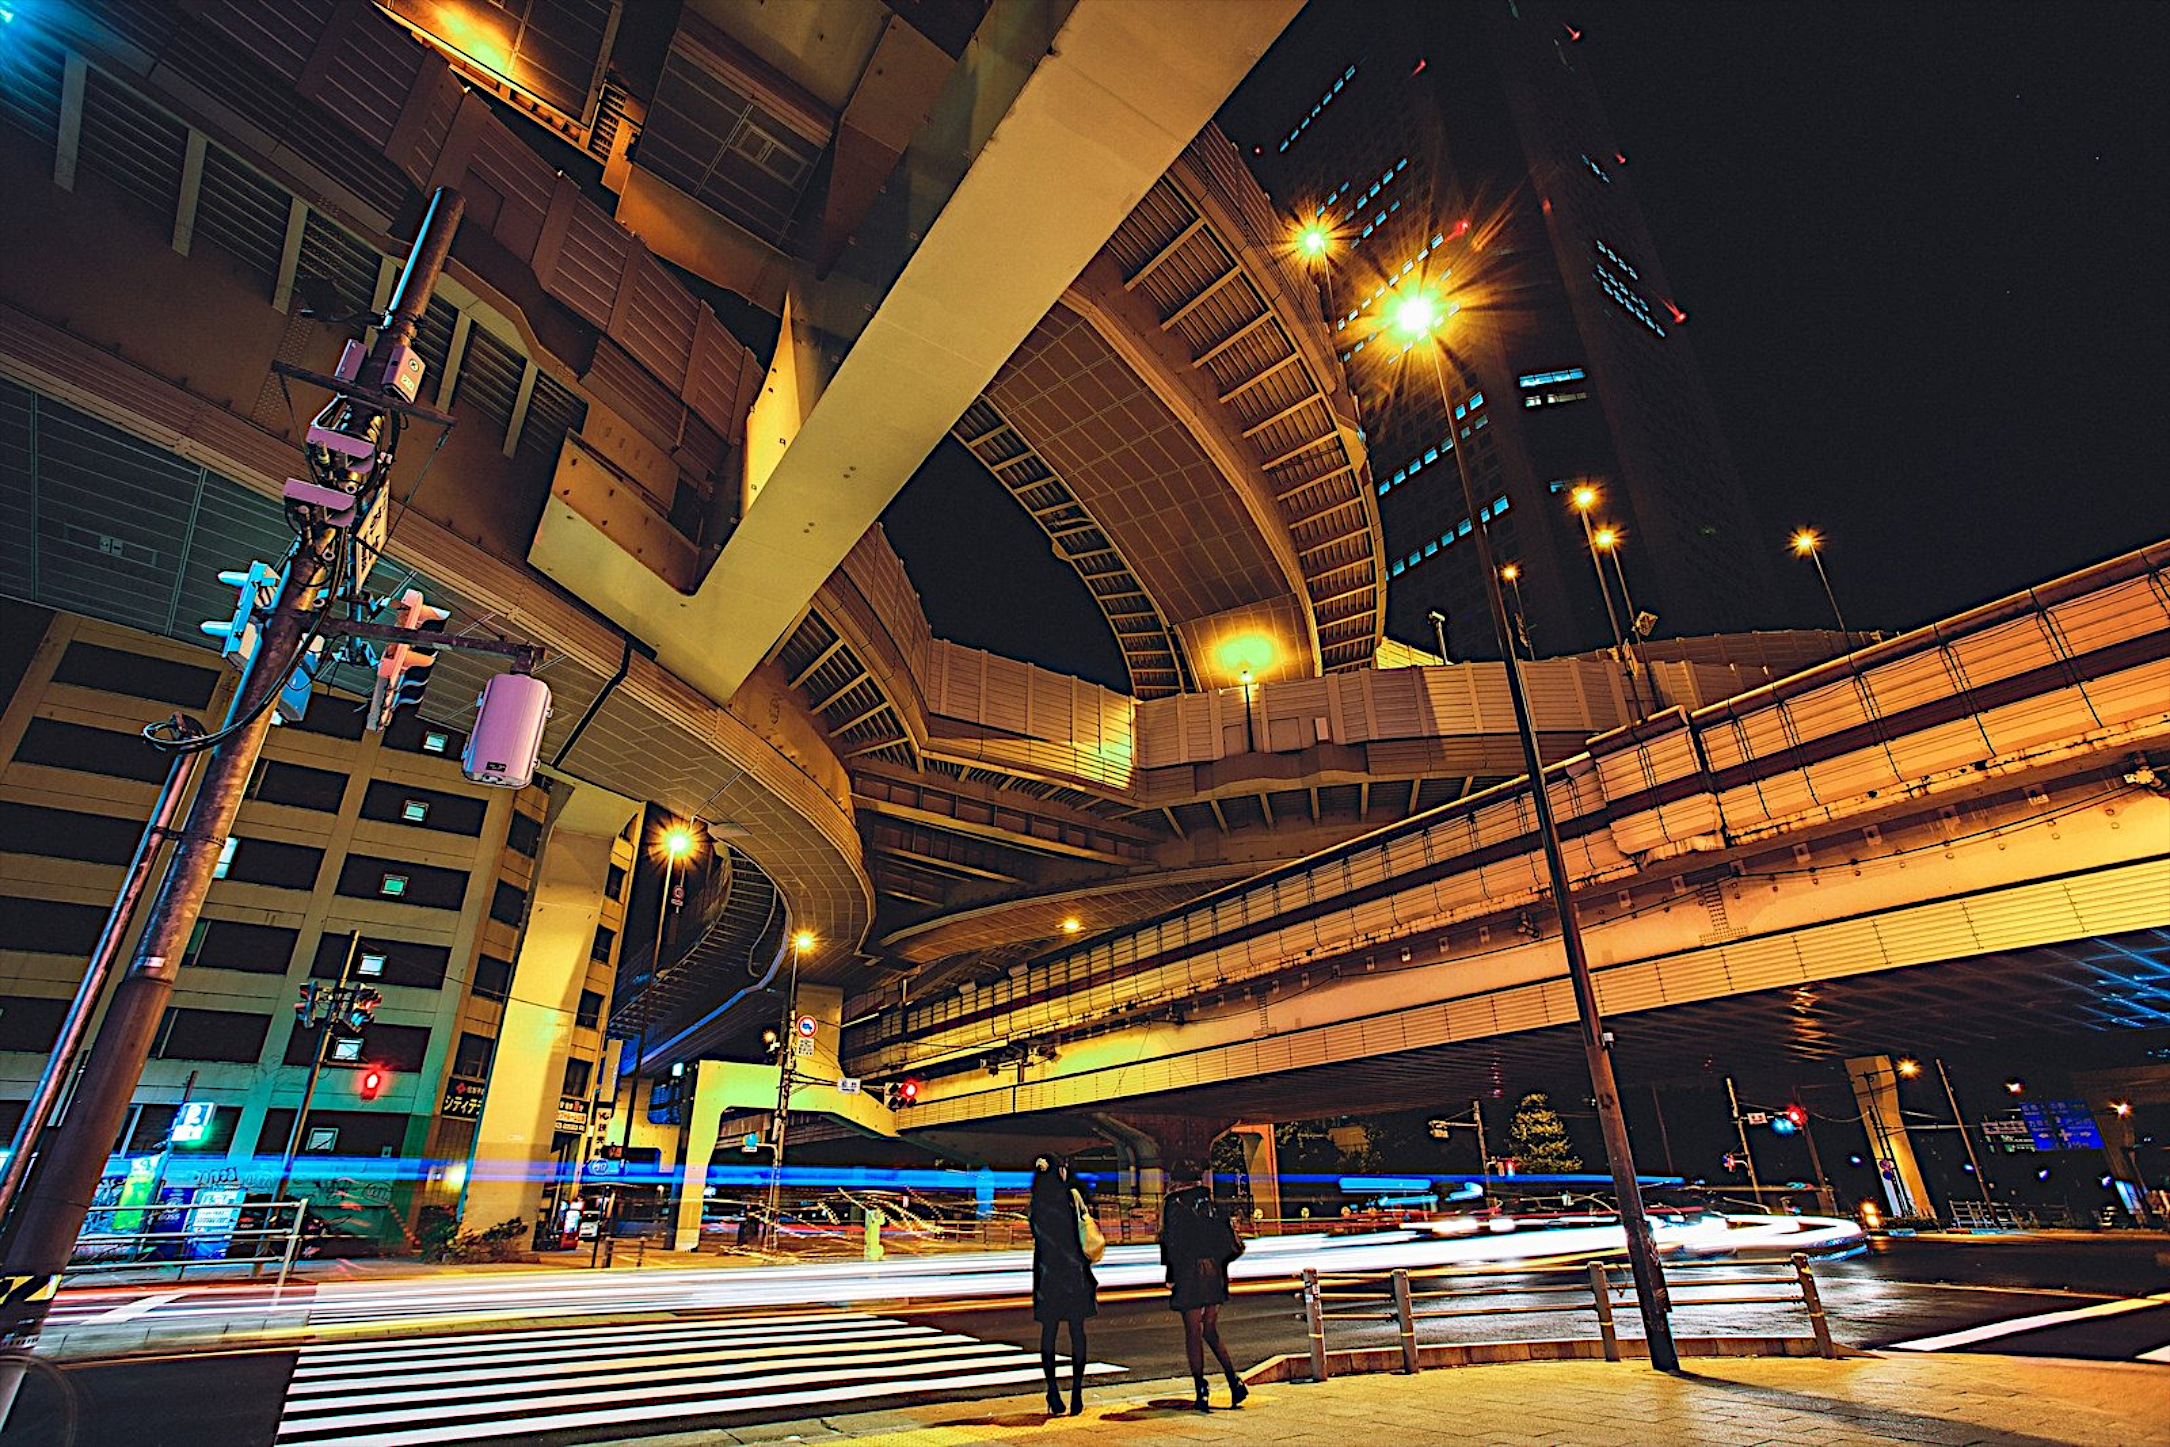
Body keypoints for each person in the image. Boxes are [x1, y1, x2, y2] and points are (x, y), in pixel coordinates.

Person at [1160, 1163, 1248, 1412]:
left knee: (1192, 1332)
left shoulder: (1173, 1205)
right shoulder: (1211, 1203)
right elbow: (1225, 1242)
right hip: (1214, 1272)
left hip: (1188, 1271)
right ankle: (1234, 1381)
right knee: (1210, 1330)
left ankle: (1201, 1387)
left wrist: (1170, 1275)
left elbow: (1170, 1242)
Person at [1028, 1154, 1096, 1416]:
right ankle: (1077, 1392)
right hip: (1073, 1270)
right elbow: (1084, 1228)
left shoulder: (1037, 1202)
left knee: (1049, 1333)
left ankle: (1053, 1392)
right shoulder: (1072, 1196)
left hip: (1047, 1274)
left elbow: (1037, 1234)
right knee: (1077, 1332)